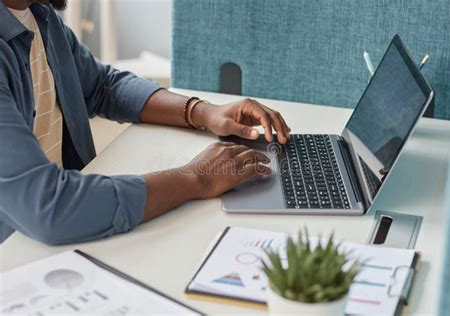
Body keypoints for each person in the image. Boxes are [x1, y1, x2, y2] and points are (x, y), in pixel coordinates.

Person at [0, 0, 291, 245]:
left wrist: (203, 112)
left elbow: (102, 86)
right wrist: (196, 178)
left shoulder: (40, 15)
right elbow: (50, 207)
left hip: (79, 228)